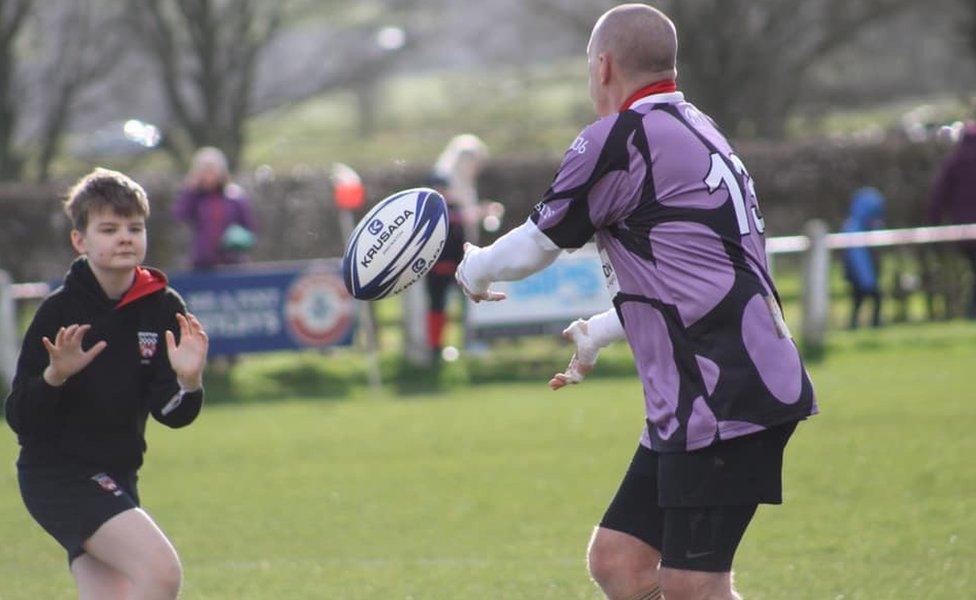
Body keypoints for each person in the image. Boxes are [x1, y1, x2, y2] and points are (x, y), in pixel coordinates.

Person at [455, 5, 817, 599]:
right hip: (708, 389)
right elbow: (705, 275)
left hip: (721, 393)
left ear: (602, 67)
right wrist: (604, 327)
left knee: (693, 588)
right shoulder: (697, 128)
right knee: (619, 561)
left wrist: (476, 266)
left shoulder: (623, 137)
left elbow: (537, 243)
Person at [5, 168, 209, 598]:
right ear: (80, 241)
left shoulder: (162, 305)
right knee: (161, 572)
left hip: (117, 473)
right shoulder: (59, 311)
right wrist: (54, 376)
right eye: (109, 228)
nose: (124, 237)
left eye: (135, 228)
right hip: (57, 476)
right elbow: (21, 418)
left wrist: (189, 382)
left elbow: (170, 413)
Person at [172, 146, 256, 270]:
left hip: (233, 261)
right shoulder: (196, 197)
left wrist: (237, 240)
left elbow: (249, 227)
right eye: (204, 172)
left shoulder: (234, 197)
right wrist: (189, 190)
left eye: (212, 171)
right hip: (202, 262)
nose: (209, 176)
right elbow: (179, 214)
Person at [928, 121, 976, 318]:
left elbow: (939, 195)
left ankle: (971, 313)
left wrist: (934, 224)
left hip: (962, 231)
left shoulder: (953, 161)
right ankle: (971, 313)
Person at [424, 174, 466, 360]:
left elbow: (460, 239)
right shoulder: (426, 212)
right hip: (434, 270)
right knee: (437, 308)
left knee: (465, 306)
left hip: (455, 268)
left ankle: (466, 342)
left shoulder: (454, 210)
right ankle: (435, 346)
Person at [841, 187, 885, 329]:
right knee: (866, 298)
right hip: (860, 275)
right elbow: (857, 257)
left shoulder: (865, 226)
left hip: (864, 274)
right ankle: (869, 324)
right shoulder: (854, 228)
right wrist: (866, 279)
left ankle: (865, 324)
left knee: (860, 300)